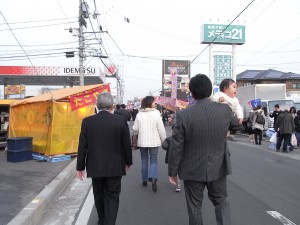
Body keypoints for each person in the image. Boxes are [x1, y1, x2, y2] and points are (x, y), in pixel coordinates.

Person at [168, 74, 243, 225]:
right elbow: (237, 126)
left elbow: (176, 146)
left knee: (195, 207)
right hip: (218, 166)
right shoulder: (225, 110)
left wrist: (172, 172)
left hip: (192, 168)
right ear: (210, 92)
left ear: (192, 93)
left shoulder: (183, 115)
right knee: (221, 201)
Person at [76, 92, 132, 225]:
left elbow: (82, 146)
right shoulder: (120, 121)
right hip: (115, 166)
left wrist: (80, 167)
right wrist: (128, 161)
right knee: (112, 196)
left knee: (99, 195)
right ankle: (109, 222)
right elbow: (126, 144)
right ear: (112, 105)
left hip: (95, 166)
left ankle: (102, 220)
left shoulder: (87, 122)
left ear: (97, 105)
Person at [133, 96, 166, 192]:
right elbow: (161, 129)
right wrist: (164, 140)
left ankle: (144, 179)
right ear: (149, 103)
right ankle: (153, 178)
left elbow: (135, 128)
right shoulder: (156, 114)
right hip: (154, 141)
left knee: (144, 160)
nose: (155, 103)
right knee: (153, 160)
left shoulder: (139, 114)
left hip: (142, 141)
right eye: (154, 102)